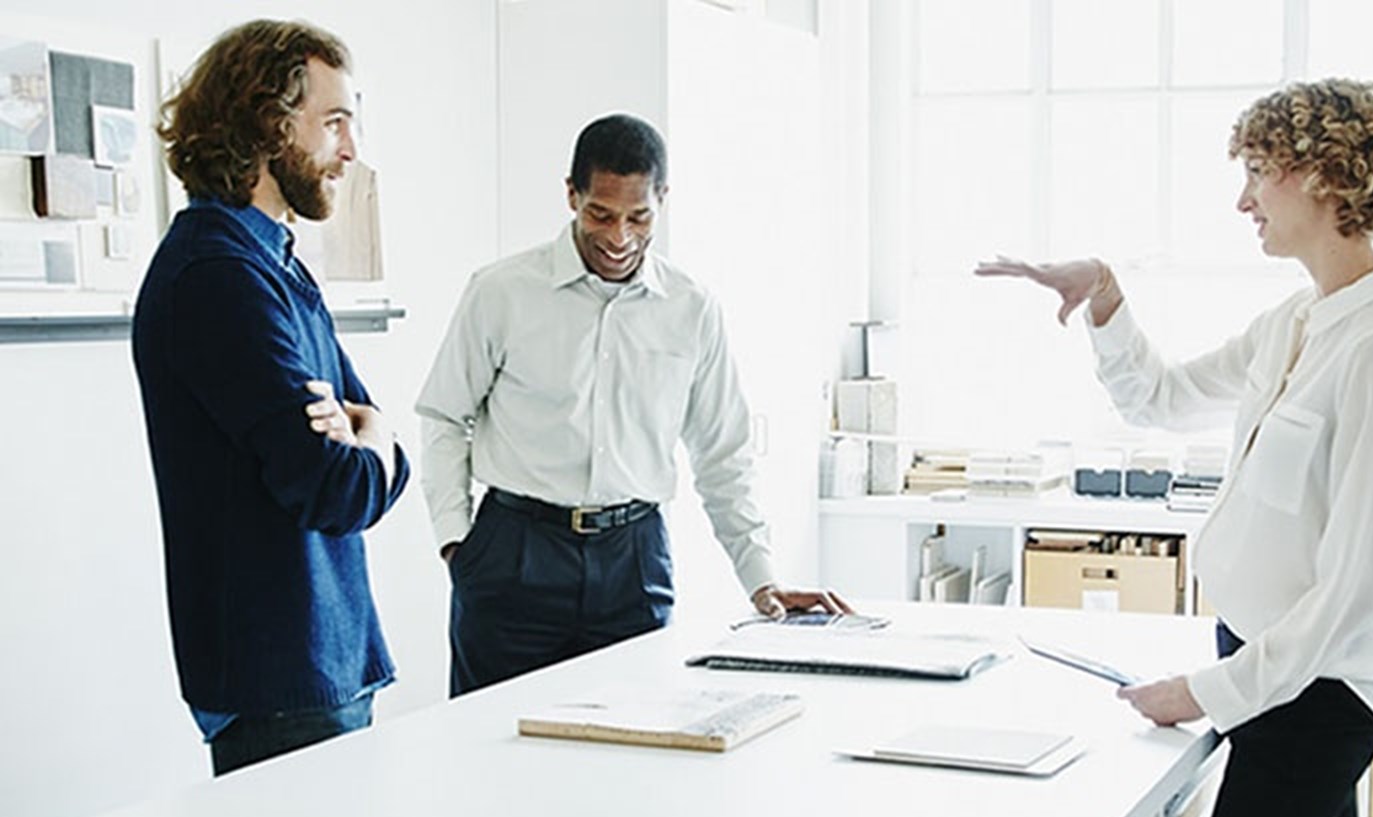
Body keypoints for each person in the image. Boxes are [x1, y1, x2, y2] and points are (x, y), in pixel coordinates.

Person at [976, 79, 1373, 817]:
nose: (1243, 199)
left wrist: (1201, 691)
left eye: (1259, 171)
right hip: (1265, 668)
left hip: (1314, 695)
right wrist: (1105, 294)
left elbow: (1356, 591)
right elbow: (1159, 398)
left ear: (1325, 174)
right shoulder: (1296, 323)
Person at [417, 113, 849, 697]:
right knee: (494, 753)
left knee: (631, 758)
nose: (619, 236)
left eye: (639, 217)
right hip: (514, 554)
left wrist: (761, 579)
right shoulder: (501, 292)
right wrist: (455, 540)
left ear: (662, 200)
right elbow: (445, 414)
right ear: (571, 195)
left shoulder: (691, 308)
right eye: (600, 213)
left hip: (634, 561)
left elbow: (723, 453)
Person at [132, 20, 409, 776]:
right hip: (278, 682)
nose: (349, 151)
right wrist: (370, 437)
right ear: (267, 123)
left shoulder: (274, 265)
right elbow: (334, 486)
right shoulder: (217, 276)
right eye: (334, 122)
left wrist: (373, 429)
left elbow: (385, 457)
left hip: (325, 663)